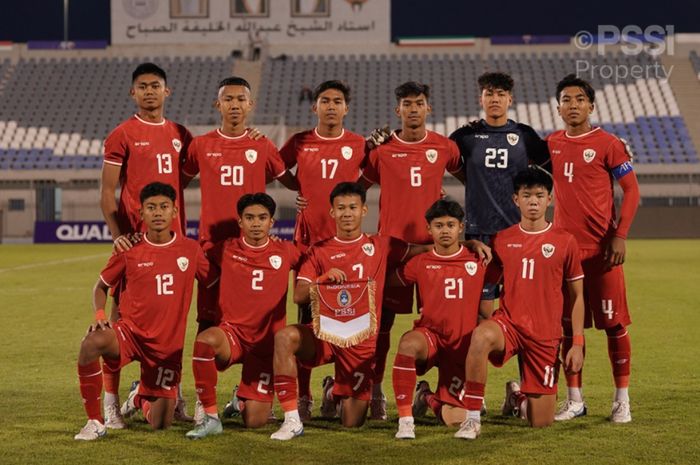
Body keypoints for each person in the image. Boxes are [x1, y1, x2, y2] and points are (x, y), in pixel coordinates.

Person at [74, 182, 217, 440]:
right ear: (141, 213)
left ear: (175, 211)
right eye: (151, 208)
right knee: (91, 343)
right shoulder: (129, 250)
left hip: (165, 348)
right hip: (130, 335)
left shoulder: (190, 250)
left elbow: (215, 282)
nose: (158, 212)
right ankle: (95, 422)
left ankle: (138, 398)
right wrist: (100, 316)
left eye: (164, 207)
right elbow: (100, 287)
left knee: (161, 423)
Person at [455, 167, 585, 440]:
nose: (533, 201)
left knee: (541, 422)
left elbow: (577, 297)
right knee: (480, 337)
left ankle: (517, 398)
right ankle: (472, 419)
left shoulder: (565, 241)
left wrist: (577, 343)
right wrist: (469, 245)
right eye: (527, 196)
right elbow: (484, 283)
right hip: (510, 325)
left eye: (539, 195)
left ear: (550, 199)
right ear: (516, 200)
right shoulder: (502, 239)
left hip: (545, 335)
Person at [359, 81, 463, 419]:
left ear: (428, 108)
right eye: (407, 103)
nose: (413, 109)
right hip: (394, 250)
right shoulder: (382, 150)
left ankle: (444, 390)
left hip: (436, 250)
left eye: (419, 103)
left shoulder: (445, 147)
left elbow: (472, 179)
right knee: (381, 327)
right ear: (398, 110)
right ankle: (376, 390)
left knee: (443, 324)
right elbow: (356, 189)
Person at [100, 62, 193, 427]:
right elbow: (107, 193)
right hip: (135, 245)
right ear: (133, 92)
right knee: (119, 319)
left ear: (166, 91)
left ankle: (172, 394)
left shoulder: (180, 134)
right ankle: (110, 403)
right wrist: (118, 236)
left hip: (173, 243)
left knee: (174, 319)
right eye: (143, 86)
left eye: (156, 85)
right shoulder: (122, 134)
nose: (150, 91)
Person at [548, 74, 640, 423]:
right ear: (558, 108)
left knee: (614, 325)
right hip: (564, 255)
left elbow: (632, 190)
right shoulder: (552, 143)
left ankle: (621, 400)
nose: (573, 105)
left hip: (602, 253)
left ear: (591, 105)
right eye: (566, 100)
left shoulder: (608, 143)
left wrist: (620, 234)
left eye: (579, 99)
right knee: (567, 329)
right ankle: (575, 399)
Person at [279, 80, 368, 420]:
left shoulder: (358, 144)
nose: (331, 106)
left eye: (337, 101)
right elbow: (275, 166)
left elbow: (373, 174)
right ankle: (303, 395)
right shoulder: (300, 141)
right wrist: (297, 187)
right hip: (309, 244)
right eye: (325, 101)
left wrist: (356, 193)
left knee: (348, 319)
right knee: (307, 320)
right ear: (314, 107)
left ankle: (341, 388)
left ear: (347, 108)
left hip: (347, 245)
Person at [182, 76, 298, 332]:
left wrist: (308, 194)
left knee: (253, 314)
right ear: (218, 104)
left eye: (240, 99)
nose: (234, 104)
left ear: (250, 104)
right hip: (211, 244)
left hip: (252, 247)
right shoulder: (200, 145)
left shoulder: (262, 144)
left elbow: (291, 182)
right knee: (208, 318)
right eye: (228, 99)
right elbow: (176, 183)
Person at [185, 193, 301, 439]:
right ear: (240, 222)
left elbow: (314, 261)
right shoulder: (225, 248)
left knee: (255, 421)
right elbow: (192, 254)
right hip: (233, 335)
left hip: (266, 345)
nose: (256, 223)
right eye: (249, 218)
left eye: (262, 218)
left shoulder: (286, 251)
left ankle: (239, 402)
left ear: (271, 222)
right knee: (205, 341)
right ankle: (210, 416)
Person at [449, 71, 550, 317]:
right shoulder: (465, 136)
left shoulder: (525, 135)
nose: (495, 99)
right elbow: (442, 159)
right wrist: (471, 181)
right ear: (481, 99)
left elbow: (551, 166)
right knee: (482, 308)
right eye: (489, 94)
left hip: (518, 231)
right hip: (479, 232)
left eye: (501, 94)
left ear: (510, 100)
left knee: (522, 304)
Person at [388, 199, 486, 439]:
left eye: (451, 225)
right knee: (408, 343)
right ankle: (405, 422)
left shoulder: (478, 260)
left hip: (461, 345)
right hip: (430, 337)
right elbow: (387, 280)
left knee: (454, 420)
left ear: (461, 227)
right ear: (429, 229)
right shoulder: (420, 262)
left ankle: (427, 396)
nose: (445, 231)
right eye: (439, 225)